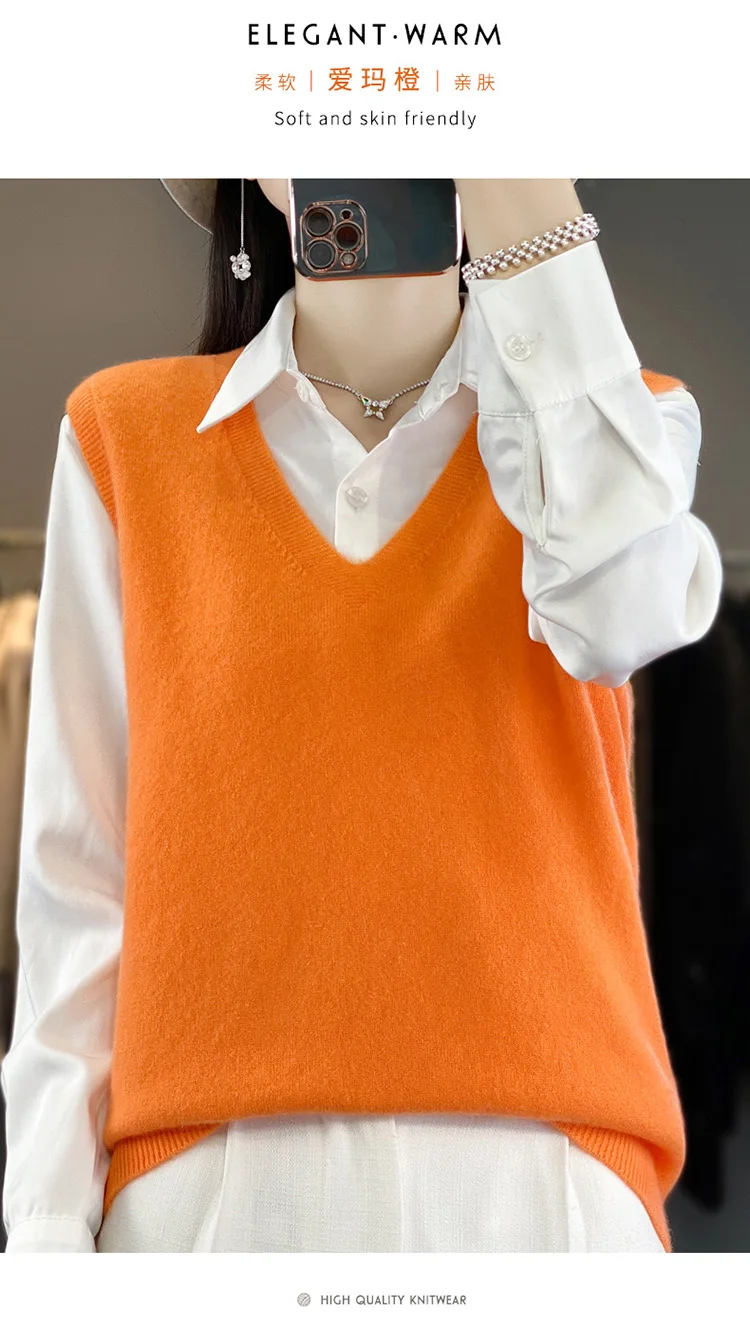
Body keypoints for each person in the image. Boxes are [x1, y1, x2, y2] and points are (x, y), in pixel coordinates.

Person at [1, 178, 723, 1253]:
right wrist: (49, 1238)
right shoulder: (125, 436)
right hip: (205, 1192)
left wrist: (533, 225)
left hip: (555, 1186)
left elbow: (622, 619)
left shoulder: (626, 429)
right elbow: (78, 878)